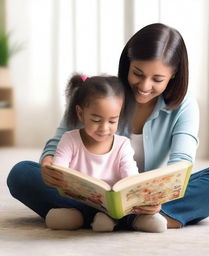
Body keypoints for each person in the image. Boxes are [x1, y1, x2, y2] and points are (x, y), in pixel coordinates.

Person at [7, 23, 209, 230]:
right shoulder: (106, 94)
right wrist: (49, 164)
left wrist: (158, 196)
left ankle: (99, 218)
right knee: (21, 173)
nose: (144, 86)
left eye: (157, 79)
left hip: (150, 196)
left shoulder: (184, 105)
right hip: (94, 193)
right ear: (128, 63)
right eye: (137, 73)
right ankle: (134, 220)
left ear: (173, 75)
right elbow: (59, 141)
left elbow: (181, 164)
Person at [43, 74, 167, 232]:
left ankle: (120, 219)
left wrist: (142, 198)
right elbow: (59, 170)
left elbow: (131, 178)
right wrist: (54, 173)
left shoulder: (122, 144)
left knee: (133, 210)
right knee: (26, 173)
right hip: (79, 202)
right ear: (81, 114)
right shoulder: (70, 140)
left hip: (116, 206)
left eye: (112, 121)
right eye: (96, 120)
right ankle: (97, 219)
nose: (104, 128)